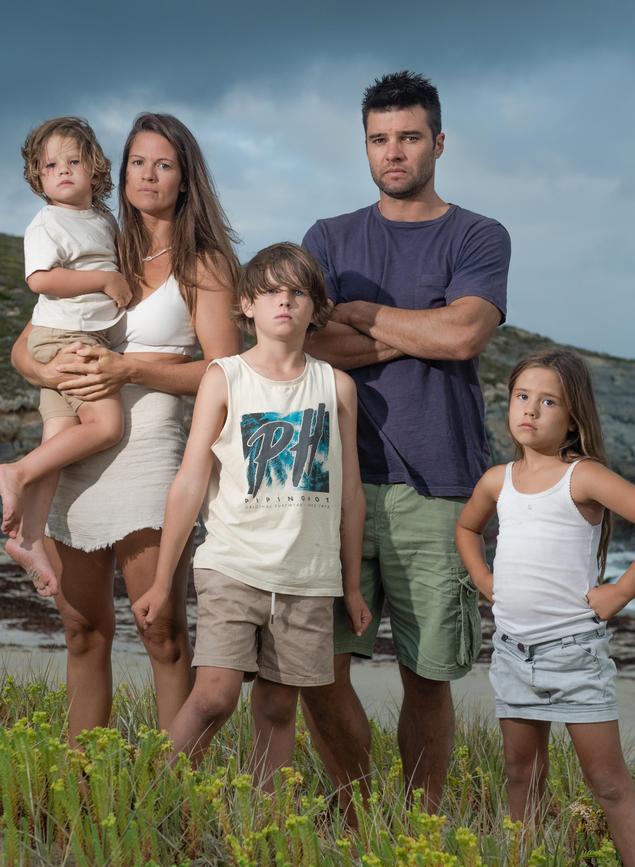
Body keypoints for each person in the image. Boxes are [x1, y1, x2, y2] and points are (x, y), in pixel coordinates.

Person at [301, 70, 511, 811]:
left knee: (429, 671)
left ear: (439, 142)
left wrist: (362, 314)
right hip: (333, 478)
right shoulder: (329, 237)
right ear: (366, 146)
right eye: (380, 139)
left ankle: (416, 823)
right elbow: (310, 343)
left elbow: (463, 334)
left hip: (443, 481)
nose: (394, 151)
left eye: (409, 137)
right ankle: (357, 808)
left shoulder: (478, 234)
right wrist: (421, 327)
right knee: (318, 663)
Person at [10, 113, 241, 745]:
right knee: (84, 629)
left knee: (161, 628)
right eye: (139, 161)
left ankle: (179, 785)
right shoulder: (95, 242)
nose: (149, 175)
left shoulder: (207, 264)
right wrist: (42, 369)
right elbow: (26, 346)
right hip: (76, 443)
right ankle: (83, 780)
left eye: (164, 164)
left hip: (148, 451)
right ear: (122, 169)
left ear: (184, 177)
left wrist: (126, 366)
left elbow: (223, 374)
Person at [132, 242, 370, 790]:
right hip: (232, 564)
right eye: (270, 293)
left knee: (278, 707)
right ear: (247, 305)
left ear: (316, 307)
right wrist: (163, 581)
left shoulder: (336, 387)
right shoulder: (225, 376)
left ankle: (266, 826)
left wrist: (351, 586)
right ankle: (149, 798)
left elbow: (349, 492)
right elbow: (190, 481)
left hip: (308, 578)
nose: (284, 302)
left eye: (297, 293)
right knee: (214, 694)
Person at [455, 350, 635, 866]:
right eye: (523, 397)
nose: (531, 410)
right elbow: (466, 527)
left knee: (607, 783)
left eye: (548, 402)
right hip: (512, 653)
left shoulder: (582, 477)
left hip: (574, 656)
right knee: (522, 775)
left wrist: (620, 592)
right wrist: (484, 579)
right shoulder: (498, 481)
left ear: (572, 420)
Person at [0, 117, 133, 592]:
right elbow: (39, 280)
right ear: (36, 176)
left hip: (75, 336)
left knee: (57, 443)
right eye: (49, 165)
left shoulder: (102, 219)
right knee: (106, 425)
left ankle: (29, 536)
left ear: (95, 169)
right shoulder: (48, 222)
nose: (62, 171)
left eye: (73, 162)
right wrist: (103, 280)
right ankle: (14, 471)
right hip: (67, 338)